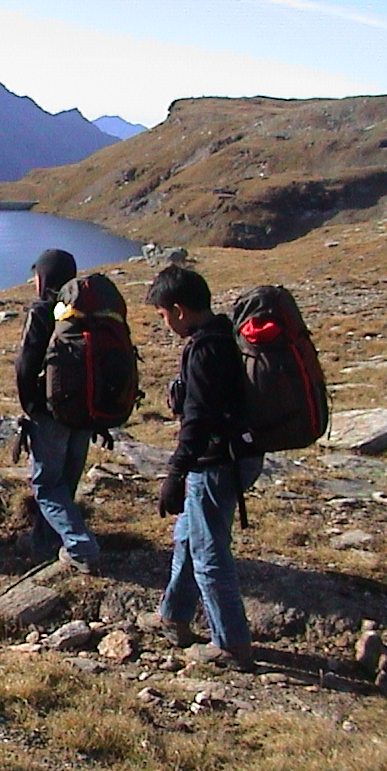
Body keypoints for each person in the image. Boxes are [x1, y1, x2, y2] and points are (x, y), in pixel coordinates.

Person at [143, 265, 255, 672]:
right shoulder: (223, 336)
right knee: (189, 538)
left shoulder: (205, 349)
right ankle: (174, 615)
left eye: (162, 316)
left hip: (216, 465)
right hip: (233, 457)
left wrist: (176, 472)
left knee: (209, 554)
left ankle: (231, 645)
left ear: (178, 310)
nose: (165, 323)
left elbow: (198, 418)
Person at [14, 249, 101, 574]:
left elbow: (26, 364)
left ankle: (81, 547)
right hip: (87, 410)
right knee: (66, 480)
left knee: (47, 484)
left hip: (52, 411)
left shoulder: (45, 310)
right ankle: (43, 542)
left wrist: (32, 406)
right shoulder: (88, 310)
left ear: (44, 277)